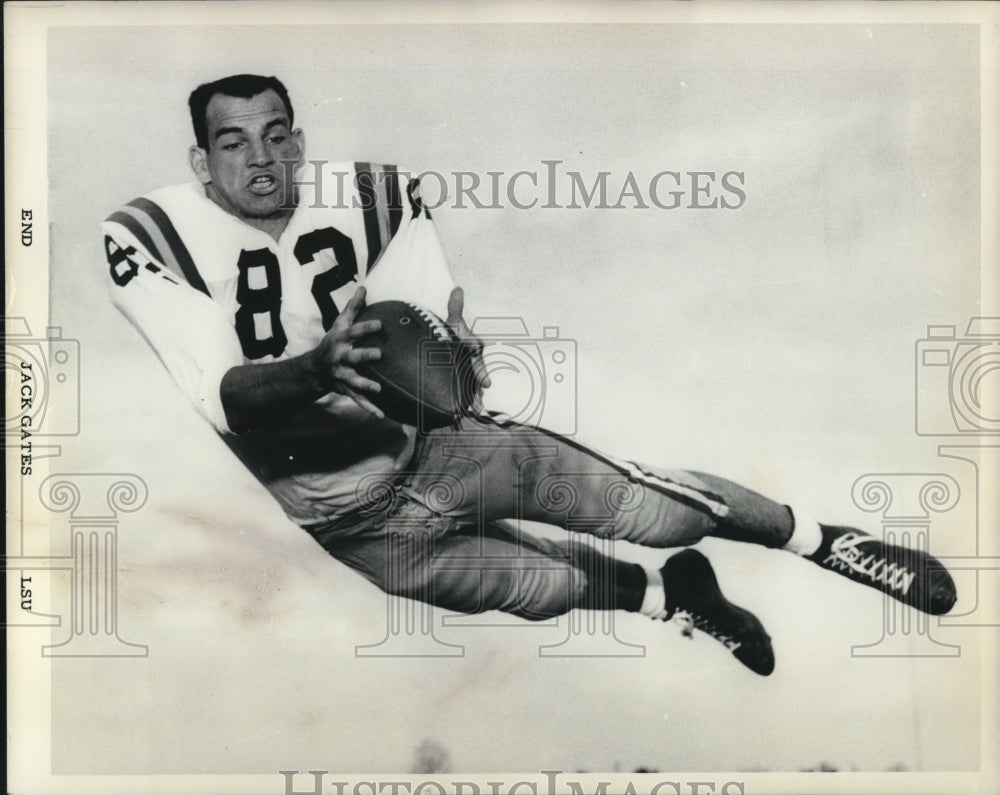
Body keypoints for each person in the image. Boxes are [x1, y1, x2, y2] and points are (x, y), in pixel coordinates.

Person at [102, 74, 957, 677]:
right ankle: (677, 599)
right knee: (544, 591)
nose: (262, 158)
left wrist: (454, 357)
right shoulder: (150, 236)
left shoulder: (370, 197)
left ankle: (827, 540)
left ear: (301, 139)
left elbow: (431, 352)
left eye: (278, 133)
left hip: (446, 452)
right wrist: (315, 366)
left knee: (654, 510)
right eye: (234, 141)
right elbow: (226, 396)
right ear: (200, 159)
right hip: (350, 519)